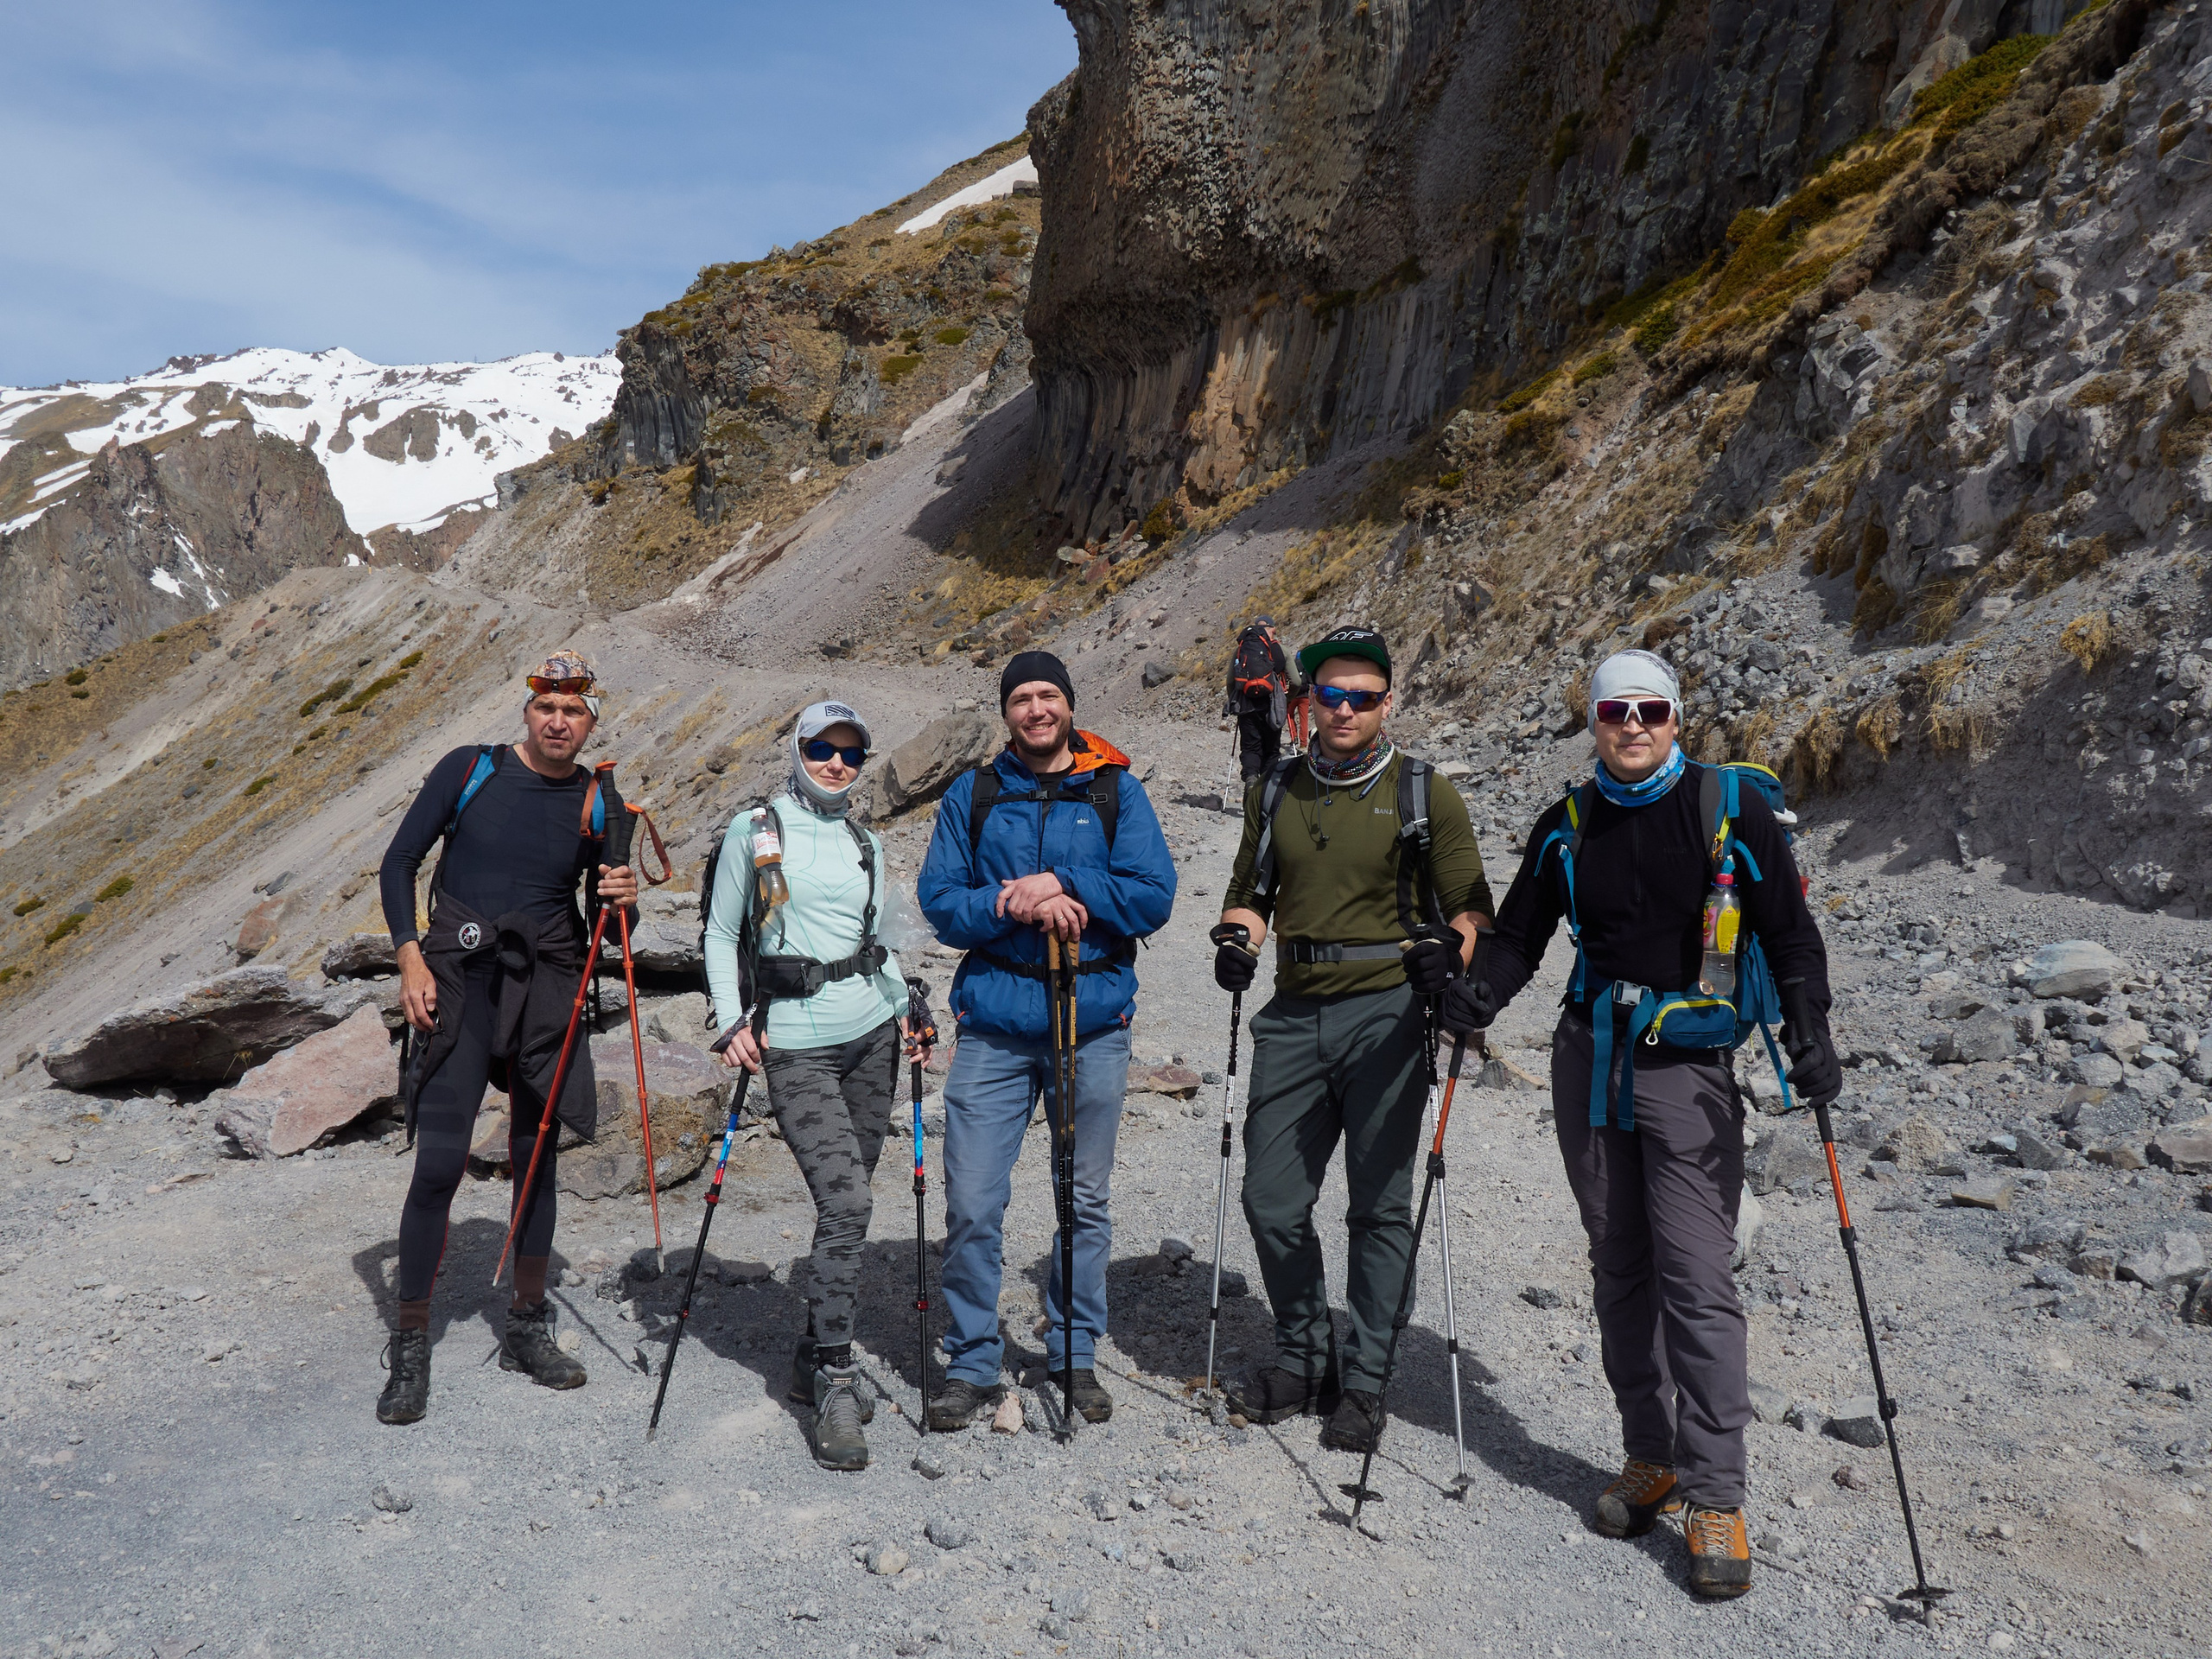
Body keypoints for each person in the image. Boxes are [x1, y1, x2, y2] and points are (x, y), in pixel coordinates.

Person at [1443, 648, 1840, 1600]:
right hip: (1589, 1056)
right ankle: (1648, 1457)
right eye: (1615, 710)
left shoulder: (1727, 809)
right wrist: (1475, 999)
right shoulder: (1568, 823)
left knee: (1697, 1278)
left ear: (1676, 718)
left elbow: (1787, 932)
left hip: (1690, 1068)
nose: (1632, 725)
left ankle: (1715, 1494)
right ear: (1592, 720)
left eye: (1650, 710)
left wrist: (1810, 1027)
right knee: (1617, 1263)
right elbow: (1519, 937)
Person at [1212, 626, 1492, 1453]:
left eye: (1361, 698)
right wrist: (1238, 940)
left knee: (1378, 1206)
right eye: (1330, 695)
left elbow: (1473, 907)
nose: (1344, 710)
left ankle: (1364, 1381)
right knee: (1270, 1197)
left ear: (1386, 704)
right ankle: (1306, 1354)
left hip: (1389, 1013)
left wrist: (1456, 948)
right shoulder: (1276, 789)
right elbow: (1246, 892)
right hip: (1293, 1012)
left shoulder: (1422, 791)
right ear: (1307, 702)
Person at [372, 651, 640, 1425]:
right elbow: (399, 861)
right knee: (442, 1163)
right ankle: (413, 1338)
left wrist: (622, 894)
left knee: (535, 1158)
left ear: (591, 723)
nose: (560, 720)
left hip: (549, 985)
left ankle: (525, 1324)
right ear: (527, 712)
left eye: (575, 711)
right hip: (458, 976)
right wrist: (409, 957)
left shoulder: (599, 798)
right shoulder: (471, 769)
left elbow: (612, 929)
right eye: (547, 707)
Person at [915, 651, 1176, 1428]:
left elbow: (1152, 897)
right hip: (995, 1025)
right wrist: (1015, 904)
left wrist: (1065, 885)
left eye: (1049, 695)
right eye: (1022, 697)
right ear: (1006, 712)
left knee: (1082, 1197)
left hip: (1091, 1024)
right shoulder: (975, 793)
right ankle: (970, 1361)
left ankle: (1072, 1353)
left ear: (1070, 706)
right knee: (972, 1199)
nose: (1036, 709)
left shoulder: (1114, 792)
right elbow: (940, 902)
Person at [702, 700, 932, 1471]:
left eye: (850, 753)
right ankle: (836, 1376)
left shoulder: (866, 841)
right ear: (796, 749)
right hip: (795, 1044)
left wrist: (909, 1009)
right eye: (821, 748)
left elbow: (874, 943)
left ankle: (810, 1352)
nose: (836, 762)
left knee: (851, 1199)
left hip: (872, 1037)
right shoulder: (755, 829)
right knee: (849, 1203)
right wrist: (731, 1022)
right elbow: (720, 930)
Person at [1224, 616, 1293, 782]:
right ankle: (1266, 788)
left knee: (1250, 748)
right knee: (1272, 750)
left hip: (1247, 706)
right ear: (1273, 629)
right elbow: (1296, 681)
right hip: (1272, 705)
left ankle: (1251, 779)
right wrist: (1287, 699)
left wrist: (1236, 701)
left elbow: (1230, 681)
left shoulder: (1241, 648)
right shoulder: (1280, 649)